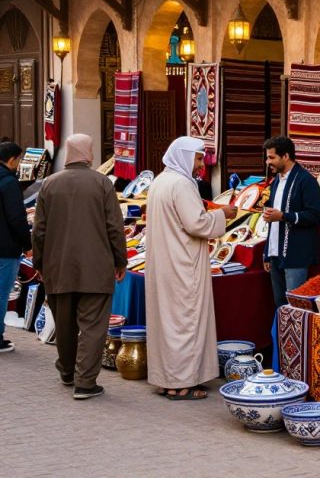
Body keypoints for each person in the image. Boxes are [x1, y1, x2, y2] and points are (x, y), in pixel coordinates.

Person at [31, 134, 127, 398]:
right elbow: (114, 228)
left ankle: (67, 372)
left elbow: (39, 230)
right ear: (88, 153)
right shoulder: (102, 183)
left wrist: (40, 263)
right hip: (96, 268)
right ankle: (85, 382)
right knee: (93, 326)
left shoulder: (50, 184)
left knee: (64, 324)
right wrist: (121, 260)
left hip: (58, 267)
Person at [145, 136, 237, 400]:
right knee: (185, 321)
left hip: (164, 262)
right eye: (198, 158)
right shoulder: (182, 184)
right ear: (185, 156)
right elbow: (197, 224)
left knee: (167, 323)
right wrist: (223, 215)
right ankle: (181, 383)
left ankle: (167, 380)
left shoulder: (160, 181)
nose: (201, 165)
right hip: (182, 264)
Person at [262, 136, 320, 308]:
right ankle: (282, 336)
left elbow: (316, 215)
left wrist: (284, 216)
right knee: (280, 304)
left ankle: (295, 336)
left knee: (295, 306)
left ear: (286, 156)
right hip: (276, 255)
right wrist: (268, 252)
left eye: (272, 157)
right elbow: (272, 220)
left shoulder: (306, 181)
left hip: (296, 255)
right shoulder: (276, 183)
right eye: (267, 157)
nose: (268, 162)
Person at [0, 141, 31, 353]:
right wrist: (27, 244)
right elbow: (16, 218)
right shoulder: (9, 182)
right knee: (1, 293)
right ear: (12, 160)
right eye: (19, 160)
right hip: (5, 247)